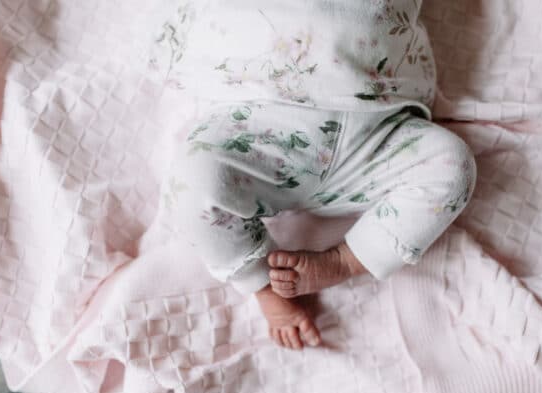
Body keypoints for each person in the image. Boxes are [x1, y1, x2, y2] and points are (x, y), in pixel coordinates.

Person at [151, 0, 477, 350]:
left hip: (376, 131)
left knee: (452, 165)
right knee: (193, 183)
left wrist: (346, 262)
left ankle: (343, 262)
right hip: (252, 127)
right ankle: (263, 285)